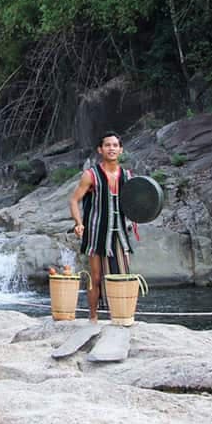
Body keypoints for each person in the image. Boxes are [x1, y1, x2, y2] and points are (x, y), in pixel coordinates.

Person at [68, 131, 136, 322]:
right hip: (96, 232)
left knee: (123, 276)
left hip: (120, 233)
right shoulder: (91, 175)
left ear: (120, 150)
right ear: (100, 149)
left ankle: (122, 315)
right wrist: (78, 223)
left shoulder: (127, 176)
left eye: (115, 145)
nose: (111, 148)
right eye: (107, 145)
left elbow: (137, 203)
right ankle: (93, 317)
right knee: (96, 278)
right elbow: (74, 201)